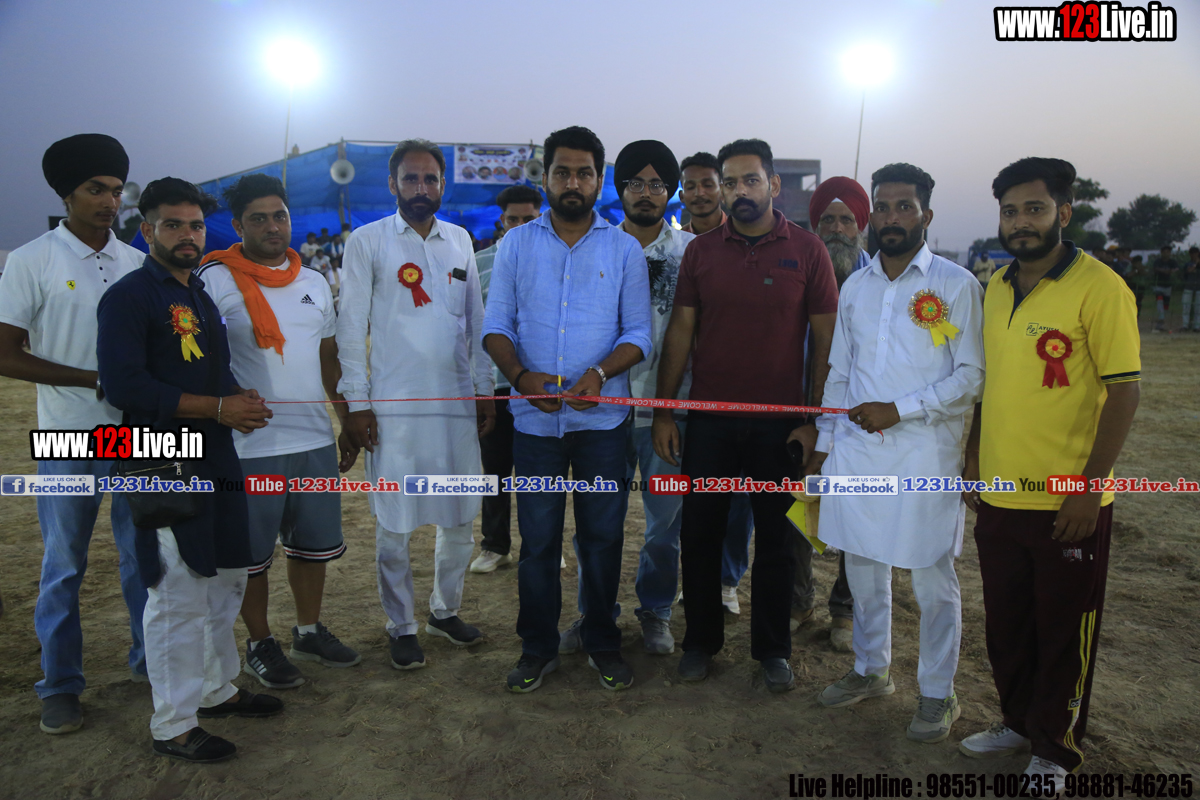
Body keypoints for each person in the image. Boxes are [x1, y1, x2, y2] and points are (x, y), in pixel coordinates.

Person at [959, 157, 1140, 781]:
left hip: (1067, 502)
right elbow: (989, 386)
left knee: (1063, 630)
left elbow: (1124, 393)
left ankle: (1055, 749)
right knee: (1008, 624)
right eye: (1010, 211)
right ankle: (1016, 722)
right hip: (1000, 496)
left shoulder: (1101, 287)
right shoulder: (995, 286)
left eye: (1034, 209)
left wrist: (1089, 489)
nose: (1020, 222)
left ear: (1063, 212)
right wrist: (974, 457)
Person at [98, 177, 283, 763]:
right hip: (159, 456)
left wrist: (237, 399)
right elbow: (124, 386)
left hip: (217, 453)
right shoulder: (130, 297)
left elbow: (212, 372)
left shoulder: (199, 293)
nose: (187, 235)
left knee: (225, 574)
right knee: (176, 588)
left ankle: (215, 688)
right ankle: (173, 724)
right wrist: (217, 408)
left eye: (196, 225)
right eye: (173, 224)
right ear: (146, 229)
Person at [653, 138, 838, 693]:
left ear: (773, 185)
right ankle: (699, 643)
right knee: (700, 534)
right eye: (730, 182)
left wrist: (813, 419)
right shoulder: (701, 252)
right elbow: (681, 332)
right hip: (709, 422)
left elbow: (825, 342)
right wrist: (665, 412)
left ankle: (772, 651)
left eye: (750, 180)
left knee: (776, 543)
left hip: (780, 426)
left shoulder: (808, 251)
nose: (739, 191)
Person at [810, 164, 984, 745]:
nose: (891, 218)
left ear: (926, 215)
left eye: (903, 207)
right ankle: (870, 669)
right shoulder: (856, 287)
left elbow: (971, 376)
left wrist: (900, 409)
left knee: (931, 577)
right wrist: (825, 444)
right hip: (857, 452)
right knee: (862, 564)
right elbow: (839, 373)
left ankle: (938, 692)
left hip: (925, 455)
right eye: (882, 207)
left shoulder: (957, 285)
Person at [482, 126, 652, 693]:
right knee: (538, 543)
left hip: (603, 426)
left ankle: (602, 640)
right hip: (534, 426)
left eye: (583, 173)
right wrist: (521, 378)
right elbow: (496, 326)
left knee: (602, 540)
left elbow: (639, 334)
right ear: (546, 177)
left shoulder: (623, 249)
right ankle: (537, 647)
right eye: (562, 172)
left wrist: (599, 375)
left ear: (599, 180)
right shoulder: (516, 245)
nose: (572, 182)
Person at [0, 134, 148, 735]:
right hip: (68, 437)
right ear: (66, 194)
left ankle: (152, 663)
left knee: (145, 558)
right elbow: (5, 353)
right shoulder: (31, 260)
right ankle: (59, 684)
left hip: (139, 438)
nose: (110, 201)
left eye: (116, 190)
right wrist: (92, 380)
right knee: (64, 564)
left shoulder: (137, 263)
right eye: (95, 189)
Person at [196, 173, 362, 690]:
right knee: (251, 557)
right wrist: (219, 407)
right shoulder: (213, 280)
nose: (273, 226)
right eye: (259, 218)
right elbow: (198, 360)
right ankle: (259, 643)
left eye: (280, 216)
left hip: (312, 439)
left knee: (312, 547)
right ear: (238, 225)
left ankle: (308, 632)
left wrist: (344, 419)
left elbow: (328, 360)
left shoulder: (313, 281)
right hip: (249, 445)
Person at [338, 139, 495, 671]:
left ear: (443, 184)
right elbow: (349, 328)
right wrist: (357, 405)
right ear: (393, 184)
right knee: (395, 523)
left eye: (430, 179)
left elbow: (475, 324)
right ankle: (401, 625)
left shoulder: (460, 240)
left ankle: (444, 611)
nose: (421, 188)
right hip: (393, 411)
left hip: (455, 406)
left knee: (460, 517)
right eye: (411, 178)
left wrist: (483, 389)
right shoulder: (367, 241)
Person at [801, 175, 876, 650]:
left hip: (862, 421)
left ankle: (845, 612)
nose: (836, 229)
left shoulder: (879, 283)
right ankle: (798, 602)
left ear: (860, 226)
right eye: (827, 220)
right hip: (804, 414)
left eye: (846, 219)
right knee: (798, 505)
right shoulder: (799, 273)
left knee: (856, 513)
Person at [470, 184, 544, 574]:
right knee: (495, 470)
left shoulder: (554, 260)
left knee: (539, 473)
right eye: (512, 219)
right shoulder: (479, 262)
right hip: (495, 385)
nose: (519, 226)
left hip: (539, 386)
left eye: (528, 219)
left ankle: (542, 544)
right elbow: (471, 328)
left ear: (540, 217)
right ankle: (495, 545)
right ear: (502, 220)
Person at [679, 152, 726, 235]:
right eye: (690, 187)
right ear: (681, 196)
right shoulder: (677, 241)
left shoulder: (743, 234)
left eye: (708, 185)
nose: (699, 193)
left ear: (722, 191)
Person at [1152, 245, 1178, 332]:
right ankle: (1161, 318)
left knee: (1166, 305)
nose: (1166, 254)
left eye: (1168, 252)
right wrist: (1167, 271)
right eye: (1164, 252)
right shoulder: (1158, 261)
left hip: (1168, 285)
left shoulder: (1172, 262)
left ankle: (1162, 323)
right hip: (1158, 284)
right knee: (1159, 301)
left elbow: (1176, 269)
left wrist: (1169, 272)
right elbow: (1155, 269)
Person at [1182, 246, 1200, 332]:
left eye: (1195, 253)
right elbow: (1188, 271)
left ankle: (1197, 326)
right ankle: (1185, 325)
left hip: (1199, 288)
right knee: (1186, 306)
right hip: (1188, 287)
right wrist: (1196, 264)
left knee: (1198, 308)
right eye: (1192, 253)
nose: (1194, 255)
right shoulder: (1188, 264)